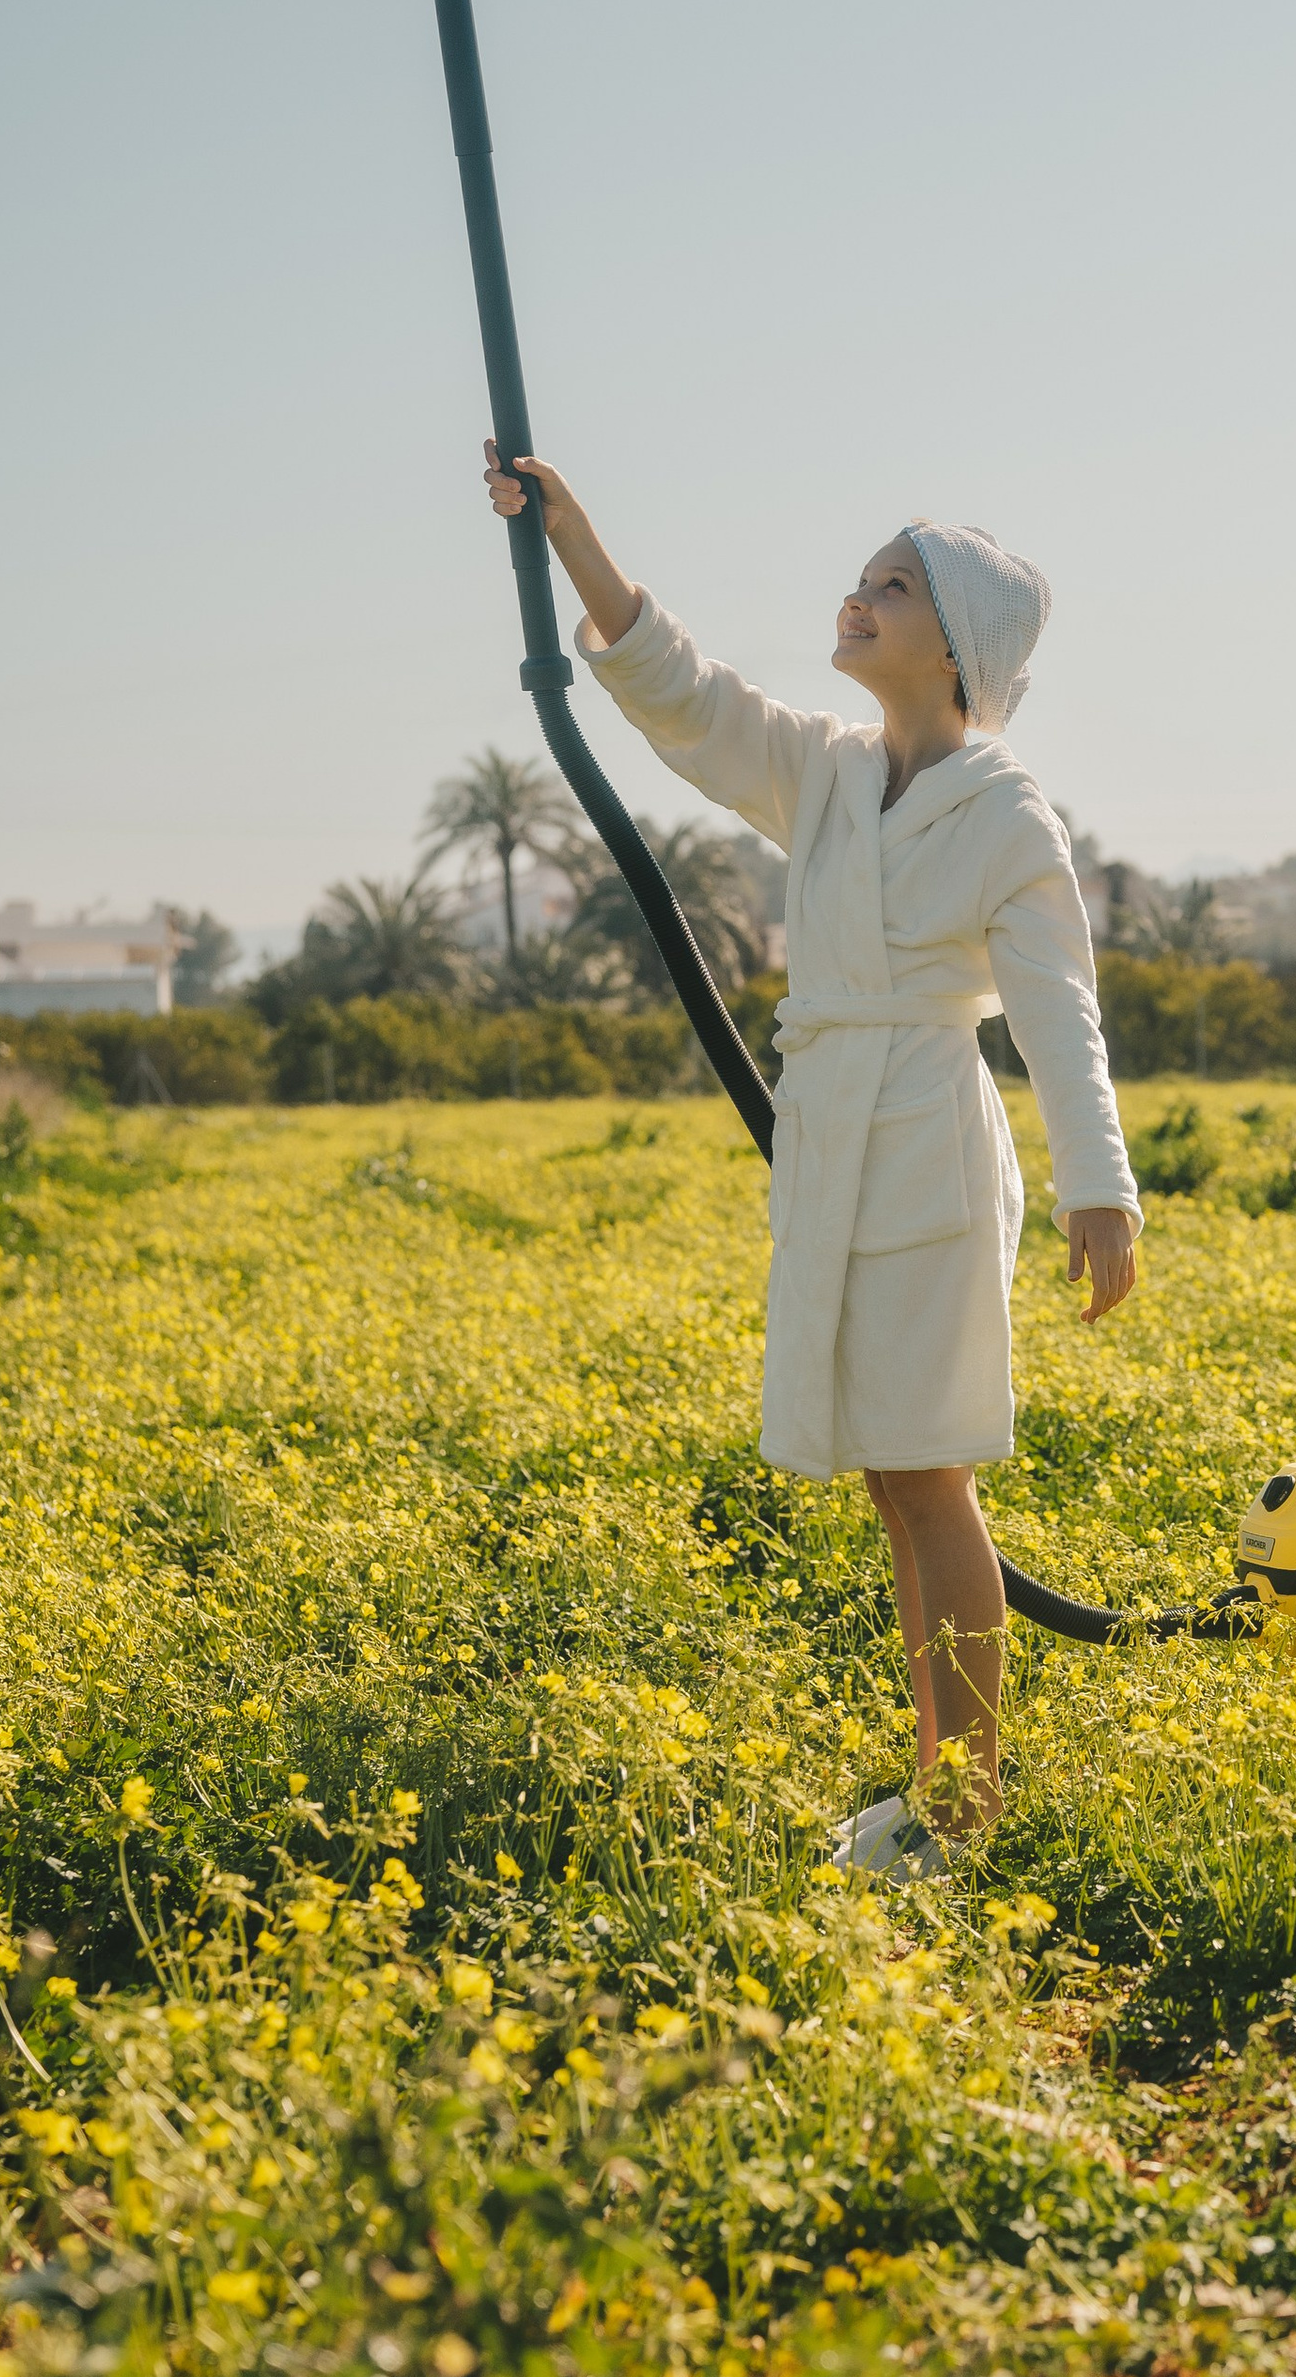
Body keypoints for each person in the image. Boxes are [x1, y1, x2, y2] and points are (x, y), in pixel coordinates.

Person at [485, 445, 1141, 1880]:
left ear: (957, 647)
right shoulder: (827, 774)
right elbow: (683, 692)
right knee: (895, 1484)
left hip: (928, 1144)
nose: (856, 600)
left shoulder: (1007, 813)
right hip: (832, 1133)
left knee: (930, 1477)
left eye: (891, 589)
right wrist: (572, 536)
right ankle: (937, 1787)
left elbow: (1057, 1013)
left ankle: (965, 1809)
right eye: (862, 578)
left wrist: (1103, 1194)